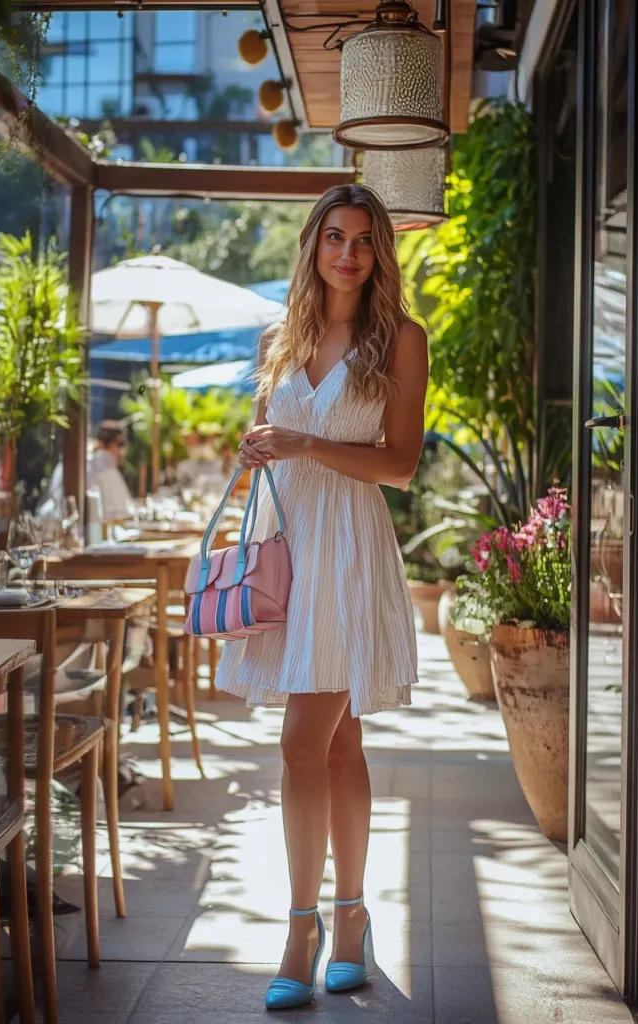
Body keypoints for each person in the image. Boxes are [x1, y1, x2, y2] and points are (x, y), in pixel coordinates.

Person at [215, 184, 428, 1010]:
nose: (347, 252)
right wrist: (262, 446)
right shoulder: (282, 337)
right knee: (338, 747)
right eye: (333, 237)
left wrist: (307, 440)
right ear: (312, 246)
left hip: (348, 547)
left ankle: (302, 928)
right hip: (290, 542)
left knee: (301, 743)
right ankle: (349, 917)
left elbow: (401, 465)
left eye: (364, 240)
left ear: (379, 254)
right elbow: (273, 443)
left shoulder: (400, 339)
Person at [87, 420, 133, 521]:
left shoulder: (89, 461)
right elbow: (119, 516)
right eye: (120, 444)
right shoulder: (105, 466)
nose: (123, 451)